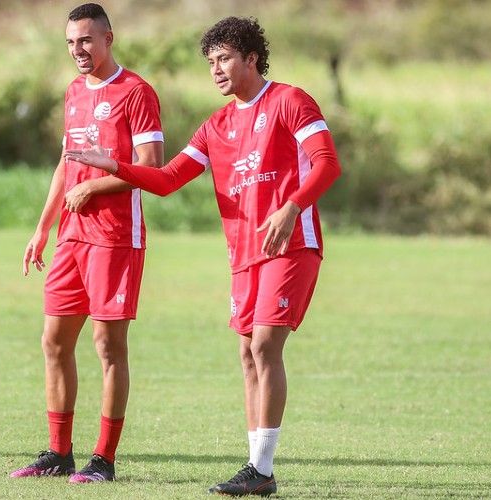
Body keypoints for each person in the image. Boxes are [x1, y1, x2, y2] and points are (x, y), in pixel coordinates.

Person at [65, 16, 341, 496]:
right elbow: (169, 179)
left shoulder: (289, 101)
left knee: (263, 347)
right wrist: (117, 166)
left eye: (225, 59)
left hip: (291, 245)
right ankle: (259, 470)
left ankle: (260, 468)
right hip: (244, 254)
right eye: (211, 61)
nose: (216, 69)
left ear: (251, 58)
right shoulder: (217, 125)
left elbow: (327, 163)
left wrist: (292, 207)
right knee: (246, 352)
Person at [11, 3, 164, 484]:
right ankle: (58, 453)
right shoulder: (74, 92)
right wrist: (42, 227)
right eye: (71, 42)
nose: (78, 50)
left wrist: (95, 187)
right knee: (53, 342)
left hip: (116, 237)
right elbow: (65, 164)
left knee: (107, 344)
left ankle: (105, 458)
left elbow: (152, 167)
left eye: (86, 41)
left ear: (108, 38)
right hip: (71, 238)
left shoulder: (136, 92)